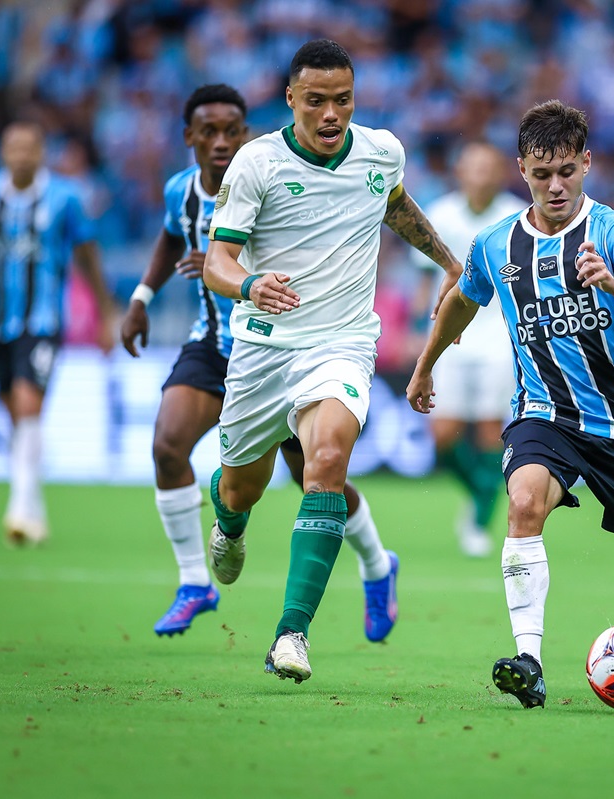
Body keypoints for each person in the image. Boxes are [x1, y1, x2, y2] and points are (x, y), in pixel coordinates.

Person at [406, 100, 614, 708]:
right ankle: (529, 661)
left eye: (566, 170)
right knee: (525, 502)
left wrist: (613, 285)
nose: (555, 185)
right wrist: (427, 364)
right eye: (541, 174)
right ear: (522, 170)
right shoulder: (497, 244)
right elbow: (461, 296)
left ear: (587, 163)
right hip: (544, 415)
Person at [201, 40, 462, 684]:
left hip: (341, 344)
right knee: (242, 487)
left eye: (341, 101)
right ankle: (229, 523)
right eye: (315, 101)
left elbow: (393, 205)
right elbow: (217, 261)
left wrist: (450, 262)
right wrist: (248, 285)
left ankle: (292, 635)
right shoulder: (256, 164)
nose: (329, 115)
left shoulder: (381, 150)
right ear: (290, 99)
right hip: (264, 348)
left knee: (326, 462)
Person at [119, 84, 400, 642]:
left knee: (318, 474)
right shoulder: (184, 193)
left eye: (231, 131)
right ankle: (194, 581)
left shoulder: (278, 168)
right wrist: (141, 299)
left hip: (296, 349)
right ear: (190, 139)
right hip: (219, 347)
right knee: (168, 446)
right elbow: (169, 243)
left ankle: (376, 564)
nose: (221, 143)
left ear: (245, 134)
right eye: (209, 133)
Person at [0, 120, 116, 545]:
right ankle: (34, 506)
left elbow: (89, 257)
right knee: (14, 410)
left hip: (45, 321)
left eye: (29, 147)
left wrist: (106, 313)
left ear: (41, 152)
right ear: (3, 153)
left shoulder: (66, 199)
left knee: (30, 404)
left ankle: (18, 507)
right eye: (14, 147)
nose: (21, 155)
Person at [411, 141, 528, 557]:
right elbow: (427, 277)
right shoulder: (440, 214)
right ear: (459, 173)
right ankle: (482, 490)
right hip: (451, 334)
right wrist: (416, 326)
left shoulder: (516, 216)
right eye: (472, 167)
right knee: (442, 434)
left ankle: (479, 518)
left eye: (487, 167)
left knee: (489, 433)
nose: (480, 175)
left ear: (501, 173)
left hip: (499, 333)